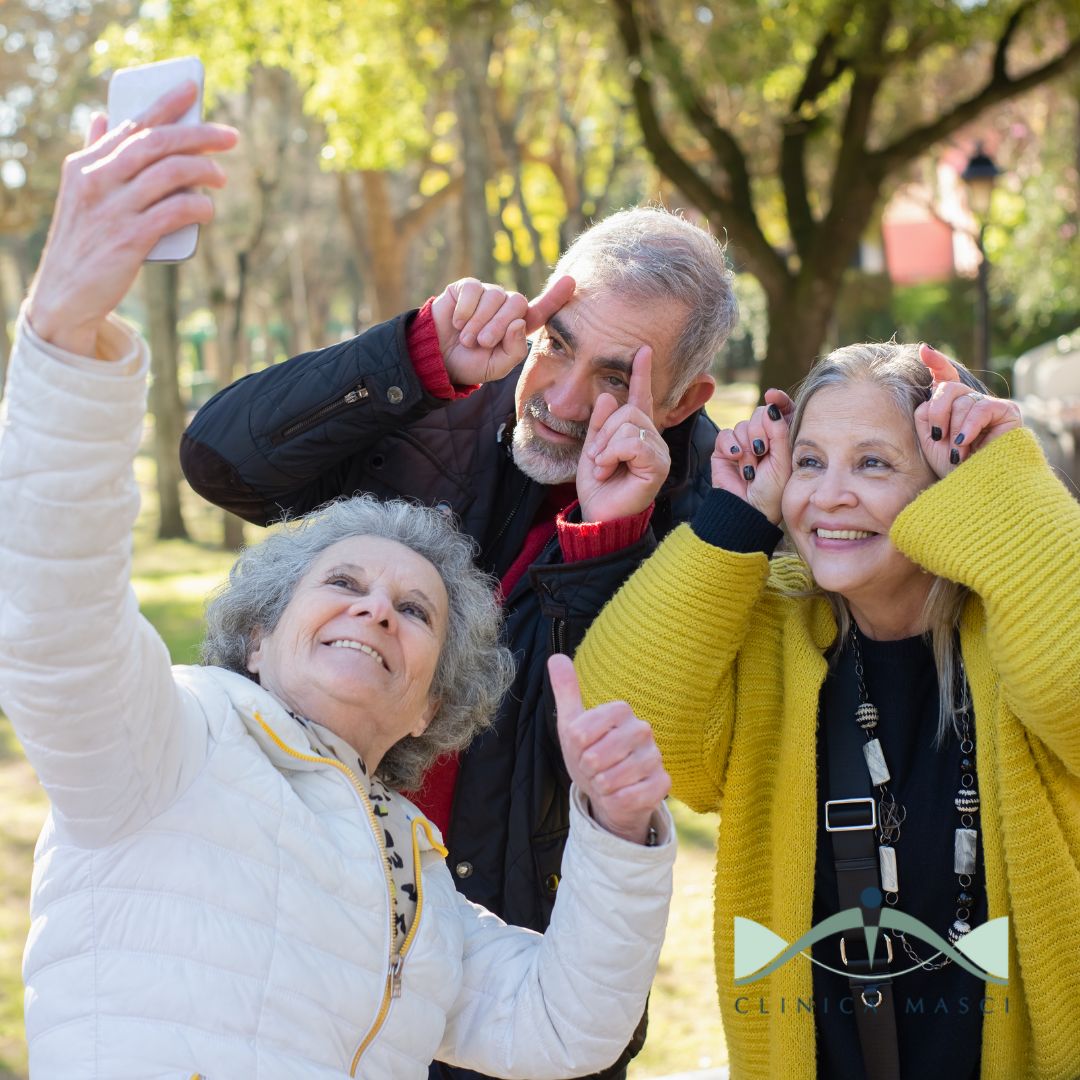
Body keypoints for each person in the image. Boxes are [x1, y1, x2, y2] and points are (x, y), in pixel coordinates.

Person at [0, 83, 679, 1080]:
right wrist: (65, 330)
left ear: (431, 707)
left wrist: (621, 834)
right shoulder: (167, 749)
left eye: (414, 611)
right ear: (256, 636)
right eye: (343, 582)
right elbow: (52, 620)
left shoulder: (419, 881)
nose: (375, 607)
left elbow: (565, 1027)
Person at [181, 189, 737, 1075]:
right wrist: (414, 354)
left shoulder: (715, 518)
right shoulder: (444, 398)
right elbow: (220, 461)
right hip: (305, 916)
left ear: (682, 399)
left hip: (506, 975)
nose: (558, 397)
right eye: (558, 342)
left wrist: (605, 543)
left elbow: (602, 745)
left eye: (614, 377)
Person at [573, 341, 1080, 1079]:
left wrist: (1003, 478)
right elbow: (622, 716)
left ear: (947, 478)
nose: (830, 494)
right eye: (809, 462)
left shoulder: (1020, 627)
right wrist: (735, 518)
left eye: (873, 462)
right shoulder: (770, 629)